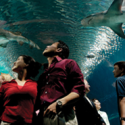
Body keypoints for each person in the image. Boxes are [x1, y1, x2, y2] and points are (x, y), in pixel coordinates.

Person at [35, 40, 85, 125]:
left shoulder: (69, 63)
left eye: (51, 45)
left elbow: (79, 89)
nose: (47, 46)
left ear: (59, 50)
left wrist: (58, 103)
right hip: (42, 115)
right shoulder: (44, 72)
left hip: (62, 113)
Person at [0, 55, 41, 125]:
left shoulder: (36, 85)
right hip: (7, 122)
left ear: (26, 64)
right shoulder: (6, 85)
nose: (14, 62)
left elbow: (39, 105)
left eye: (18, 59)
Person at [113, 61, 125, 125]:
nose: (113, 71)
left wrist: (123, 119)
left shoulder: (120, 79)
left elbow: (123, 99)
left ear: (122, 69)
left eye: (115, 69)